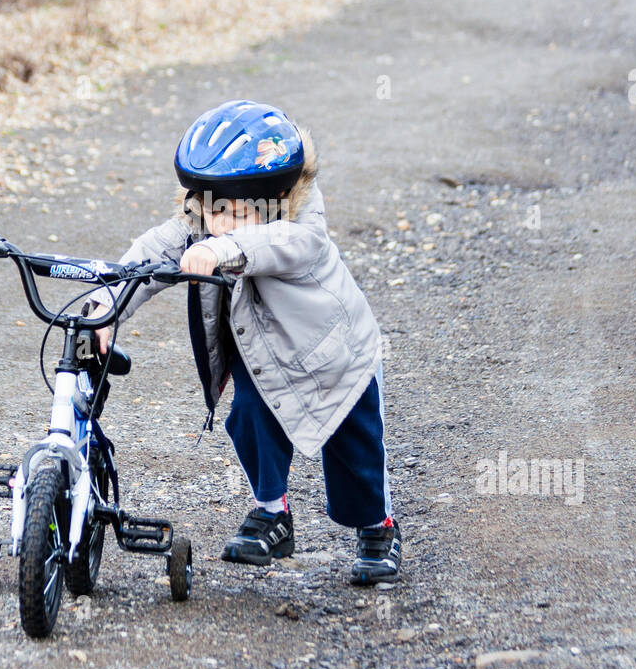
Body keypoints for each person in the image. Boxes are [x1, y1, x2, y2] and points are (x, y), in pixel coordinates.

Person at [85, 99, 401, 586]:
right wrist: (106, 307)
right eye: (215, 210)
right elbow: (143, 261)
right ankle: (272, 514)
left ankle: (378, 528)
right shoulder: (199, 229)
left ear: (277, 199)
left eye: (241, 212)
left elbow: (277, 245)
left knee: (354, 450)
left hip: (338, 359)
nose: (225, 223)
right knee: (250, 419)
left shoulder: (301, 229)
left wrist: (224, 247)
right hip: (267, 360)